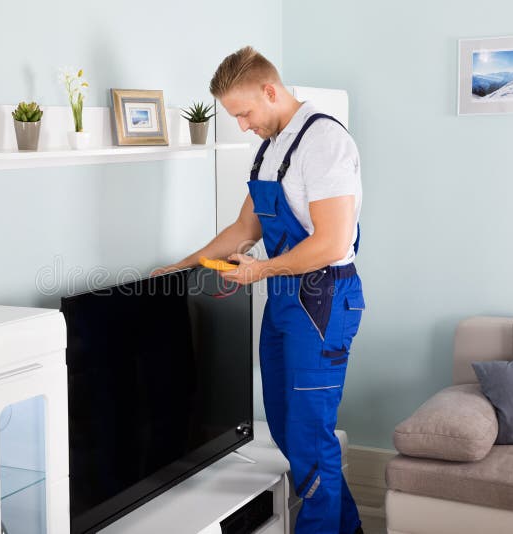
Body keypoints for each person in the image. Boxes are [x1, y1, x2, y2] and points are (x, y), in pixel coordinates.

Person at [154, 46, 365, 534]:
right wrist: (183, 264)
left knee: (311, 442)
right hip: (285, 300)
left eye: (245, 113)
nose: (243, 126)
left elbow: (332, 242)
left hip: (324, 300)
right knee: (293, 435)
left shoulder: (323, 142)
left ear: (271, 91)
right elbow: (244, 227)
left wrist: (261, 272)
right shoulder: (272, 147)